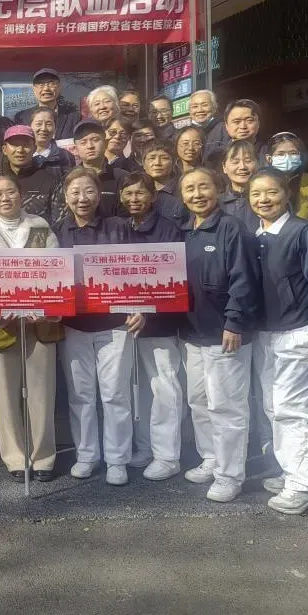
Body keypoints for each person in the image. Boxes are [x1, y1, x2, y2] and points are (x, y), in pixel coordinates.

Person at [250, 167, 308, 514]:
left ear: (287, 194)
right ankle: (293, 473)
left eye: (271, 192)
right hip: (267, 335)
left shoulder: (306, 233)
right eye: (256, 194)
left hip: (299, 333)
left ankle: (306, 487)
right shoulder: (256, 235)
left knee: (297, 412)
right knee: (275, 409)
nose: (263, 199)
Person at [0, 173, 60, 482]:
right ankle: (14, 456)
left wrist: (43, 308)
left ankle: (43, 456)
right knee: (5, 394)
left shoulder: (40, 227)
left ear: (21, 195)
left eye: (10, 192)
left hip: (39, 322)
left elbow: (55, 270)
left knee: (42, 391)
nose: (5, 198)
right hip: (1, 324)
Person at [56, 169, 144, 485]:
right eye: (75, 192)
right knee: (81, 395)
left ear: (99, 194)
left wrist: (140, 308)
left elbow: (138, 270)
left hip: (115, 324)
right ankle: (87, 455)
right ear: (65, 196)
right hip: (74, 326)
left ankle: (117, 459)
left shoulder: (119, 227)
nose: (82, 198)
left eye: (89, 191)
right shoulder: (57, 232)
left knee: (115, 394)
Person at [179, 167, 261, 503]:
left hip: (225, 333)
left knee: (227, 406)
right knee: (199, 401)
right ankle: (211, 458)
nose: (197, 194)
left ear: (218, 189)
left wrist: (234, 321)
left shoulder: (232, 228)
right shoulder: (185, 231)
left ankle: (230, 475)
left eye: (204, 187)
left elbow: (244, 279)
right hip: (193, 333)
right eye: (190, 189)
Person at [119, 172, 186, 481]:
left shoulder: (168, 229)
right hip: (127, 323)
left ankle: (168, 455)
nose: (134, 199)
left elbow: (172, 280)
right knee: (141, 390)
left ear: (153, 196)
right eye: (128, 193)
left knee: (164, 387)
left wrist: (148, 311)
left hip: (160, 323)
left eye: (140, 193)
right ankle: (146, 446)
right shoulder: (121, 227)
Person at [51, 120, 126, 221]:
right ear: (76, 148)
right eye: (83, 142)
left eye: (95, 140)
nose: (90, 146)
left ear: (105, 142)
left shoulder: (123, 178)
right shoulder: (67, 180)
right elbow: (59, 219)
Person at [0, 124, 62, 225]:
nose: (20, 150)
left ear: (34, 148)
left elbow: (59, 222)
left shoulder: (50, 180)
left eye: (26, 145)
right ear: (4, 149)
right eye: (15, 145)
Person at [14, 68, 80, 139]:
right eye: (40, 84)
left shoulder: (74, 117)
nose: (46, 88)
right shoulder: (22, 117)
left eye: (51, 83)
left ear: (59, 87)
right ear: (34, 89)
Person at [137, 140, 188, 227]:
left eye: (164, 158)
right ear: (143, 164)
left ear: (173, 163)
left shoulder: (184, 191)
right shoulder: (135, 190)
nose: (157, 163)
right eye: (152, 158)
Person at [220, 139, 260, 229]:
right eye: (235, 162)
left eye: (248, 161)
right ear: (224, 167)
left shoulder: (265, 201)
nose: (242, 167)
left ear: (258, 164)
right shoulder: (215, 204)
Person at [28, 106, 75, 172]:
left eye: (49, 124)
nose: (43, 128)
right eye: (39, 124)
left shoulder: (66, 156)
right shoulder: (22, 155)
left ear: (55, 127)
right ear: (30, 126)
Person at [188, 90, 231, 162]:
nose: (200, 110)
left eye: (205, 105)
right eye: (195, 106)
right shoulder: (184, 133)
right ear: (189, 111)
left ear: (214, 107)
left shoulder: (226, 129)